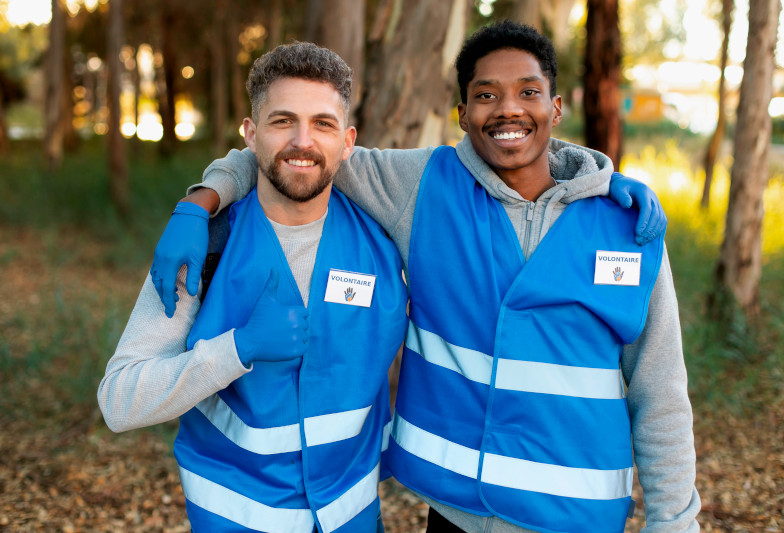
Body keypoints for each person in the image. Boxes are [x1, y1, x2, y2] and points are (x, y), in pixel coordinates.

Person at [152, 21, 700, 533]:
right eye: (486, 94)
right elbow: (298, 151)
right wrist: (202, 201)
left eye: (528, 93)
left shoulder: (629, 226)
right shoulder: (420, 187)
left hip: (576, 518)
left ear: (555, 107)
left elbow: (661, 392)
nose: (508, 109)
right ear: (462, 113)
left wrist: (674, 522)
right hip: (454, 515)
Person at [97, 42, 409, 533]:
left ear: (348, 141)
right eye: (282, 121)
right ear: (251, 134)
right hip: (235, 518)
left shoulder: (388, 240)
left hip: (352, 516)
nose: (302, 141)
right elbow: (119, 400)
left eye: (322, 124)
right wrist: (234, 349)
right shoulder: (208, 247)